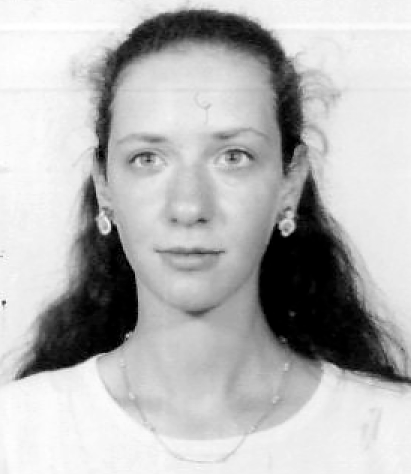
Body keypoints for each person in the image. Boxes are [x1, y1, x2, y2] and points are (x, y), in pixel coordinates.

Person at [0, 7, 410, 473]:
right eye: (148, 158)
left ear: (290, 182)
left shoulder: (395, 436)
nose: (189, 207)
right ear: (104, 187)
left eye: (233, 156)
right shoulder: (17, 435)